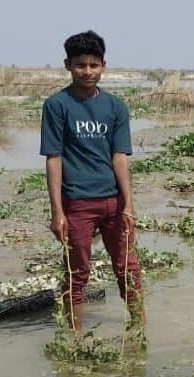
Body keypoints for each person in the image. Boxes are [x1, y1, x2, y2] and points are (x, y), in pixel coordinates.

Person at [40, 30, 143, 331]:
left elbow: (120, 157)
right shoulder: (57, 105)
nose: (88, 71)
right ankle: (74, 335)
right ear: (68, 65)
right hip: (77, 203)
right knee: (77, 272)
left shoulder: (115, 107)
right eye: (80, 65)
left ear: (103, 66)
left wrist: (128, 204)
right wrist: (57, 212)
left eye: (94, 65)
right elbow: (54, 159)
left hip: (113, 202)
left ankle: (139, 330)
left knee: (128, 268)